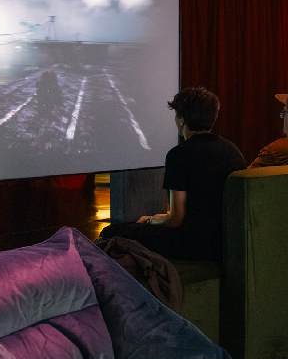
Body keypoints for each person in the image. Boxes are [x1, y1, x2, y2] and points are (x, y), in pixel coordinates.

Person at [99, 87, 246, 261]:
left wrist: (151, 220)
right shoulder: (231, 149)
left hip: (193, 244)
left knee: (111, 232)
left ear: (182, 120)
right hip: (224, 240)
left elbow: (176, 219)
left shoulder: (179, 154)